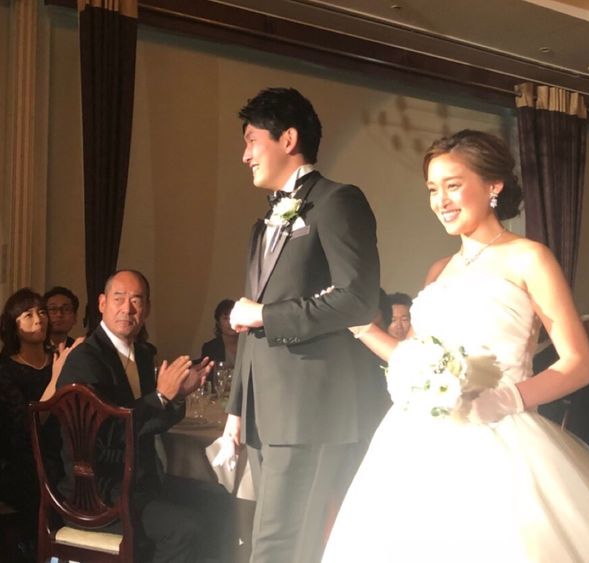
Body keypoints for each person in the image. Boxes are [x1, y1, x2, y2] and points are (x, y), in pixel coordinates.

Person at [322, 130, 589, 562]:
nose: (441, 201)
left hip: (502, 432)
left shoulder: (529, 258)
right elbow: (417, 361)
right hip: (418, 439)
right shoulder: (439, 270)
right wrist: (364, 329)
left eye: (453, 185)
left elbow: (579, 363)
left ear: (493, 186)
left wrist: (505, 399)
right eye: (433, 189)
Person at [220, 87, 380, 563]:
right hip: (263, 409)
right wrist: (236, 409)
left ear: (288, 139)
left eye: (252, 140)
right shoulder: (263, 220)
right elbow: (249, 321)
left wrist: (265, 315)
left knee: (282, 546)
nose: (245, 155)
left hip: (308, 407)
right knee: (272, 543)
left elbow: (357, 299)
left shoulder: (337, 201)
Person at [56, 269, 212, 563]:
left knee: (214, 504)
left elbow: (148, 424)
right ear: (102, 303)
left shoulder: (141, 354)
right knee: (186, 529)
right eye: (119, 298)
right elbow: (106, 434)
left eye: (137, 301)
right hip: (97, 491)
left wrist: (177, 395)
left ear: (147, 309)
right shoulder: (86, 359)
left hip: (139, 483)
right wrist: (160, 397)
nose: (127, 309)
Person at [0, 288, 80, 560]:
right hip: (23, 459)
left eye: (42, 312)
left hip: (63, 452)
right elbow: (27, 426)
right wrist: (57, 378)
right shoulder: (5, 369)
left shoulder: (59, 358)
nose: (39, 319)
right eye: (28, 314)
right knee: (49, 483)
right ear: (14, 325)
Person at [201, 299, 239, 367]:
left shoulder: (248, 344)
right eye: (225, 318)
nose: (230, 322)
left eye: (233, 317)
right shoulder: (210, 348)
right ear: (218, 323)